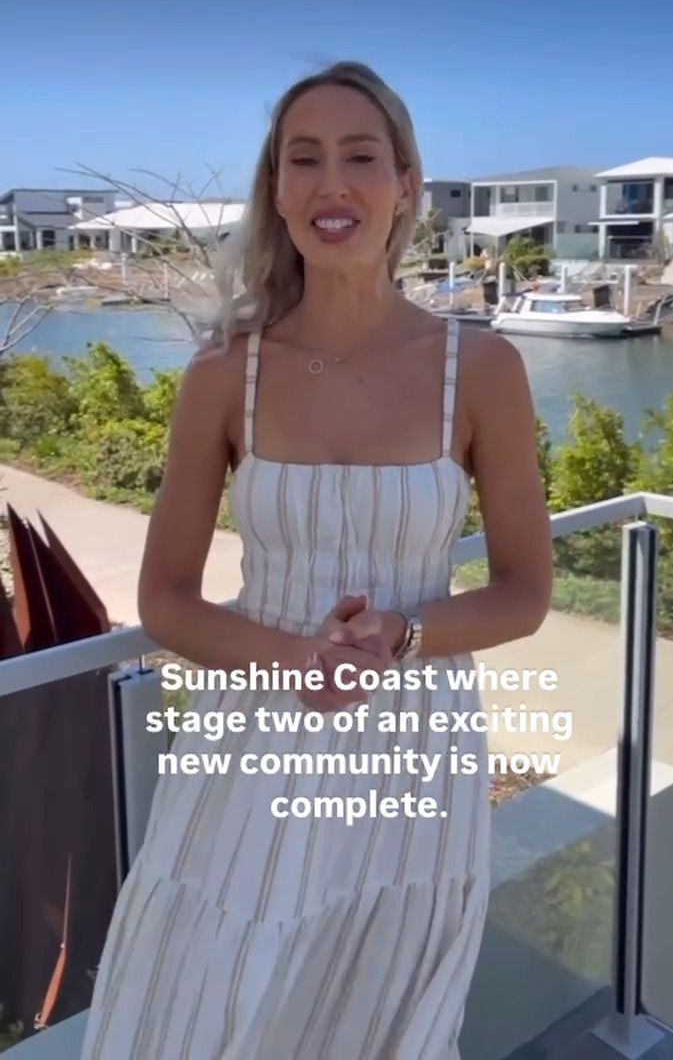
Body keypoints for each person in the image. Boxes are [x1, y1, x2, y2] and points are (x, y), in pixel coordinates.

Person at [80, 60, 553, 1060]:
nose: (331, 182)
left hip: (412, 740)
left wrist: (401, 633)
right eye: (304, 158)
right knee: (196, 997)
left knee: (374, 1011)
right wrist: (299, 659)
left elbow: (525, 592)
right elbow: (166, 599)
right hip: (252, 731)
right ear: (277, 190)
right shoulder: (223, 374)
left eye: (360, 156)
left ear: (407, 185)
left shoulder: (483, 368)